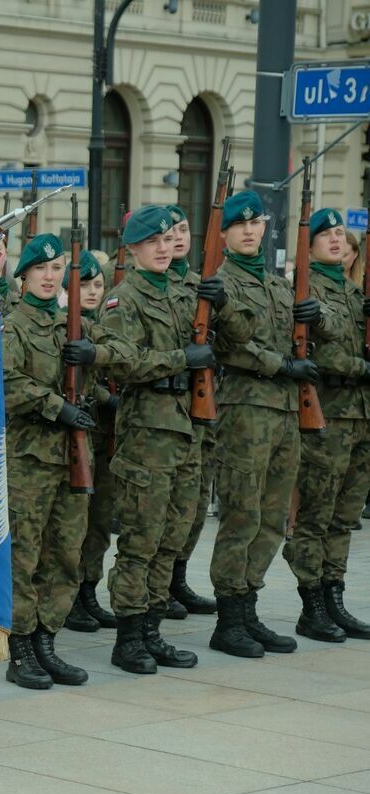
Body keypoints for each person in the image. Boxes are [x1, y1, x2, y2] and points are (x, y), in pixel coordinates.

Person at [97, 206, 251, 674]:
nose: (164, 248)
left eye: (168, 240)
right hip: (149, 432)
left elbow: (237, 341)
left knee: (173, 538)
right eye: (153, 242)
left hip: (190, 430)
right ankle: (128, 638)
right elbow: (121, 363)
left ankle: (153, 630)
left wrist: (223, 303)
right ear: (134, 250)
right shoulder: (123, 300)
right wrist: (179, 358)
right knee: (142, 539)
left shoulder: (188, 293)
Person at [2, 233, 131, 690]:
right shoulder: (12, 325)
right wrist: (57, 406)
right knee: (26, 554)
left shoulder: (72, 324)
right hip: (30, 459)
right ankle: (19, 649)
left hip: (74, 458)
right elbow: (6, 382)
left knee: (66, 552)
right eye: (41, 269)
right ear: (23, 277)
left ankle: (46, 642)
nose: (49, 276)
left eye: (57, 269)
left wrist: (93, 353)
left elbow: (127, 352)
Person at [207, 190, 325, 658]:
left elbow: (295, 344)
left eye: (257, 225)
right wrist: (281, 366)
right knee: (242, 514)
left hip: (285, 411)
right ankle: (228, 618)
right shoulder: (219, 284)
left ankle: (248, 605)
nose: (251, 231)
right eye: (241, 225)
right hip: (245, 410)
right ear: (225, 233)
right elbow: (230, 346)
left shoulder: (280, 285)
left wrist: (305, 344)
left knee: (274, 518)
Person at [280, 209, 370, 641]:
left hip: (360, 415)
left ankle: (334, 596)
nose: (336, 240)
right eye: (326, 235)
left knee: (344, 516)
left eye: (340, 234)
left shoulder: (353, 293)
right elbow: (317, 354)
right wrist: (362, 367)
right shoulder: (304, 290)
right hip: (326, 412)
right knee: (316, 513)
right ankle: (311, 601)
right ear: (309, 244)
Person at [161, 204, 220, 620]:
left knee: (195, 504)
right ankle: (158, 587)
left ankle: (178, 576)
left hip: (200, 409)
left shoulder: (201, 285)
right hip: (164, 414)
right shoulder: (152, 286)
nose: (178, 239)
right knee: (162, 508)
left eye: (183, 229)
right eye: (169, 233)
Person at [62, 250, 118, 633]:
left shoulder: (107, 324)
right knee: (76, 521)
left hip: (107, 436)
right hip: (78, 436)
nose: (93, 291)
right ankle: (68, 598)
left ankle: (89, 591)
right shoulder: (66, 327)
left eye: (98, 284)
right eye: (85, 285)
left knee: (100, 520)